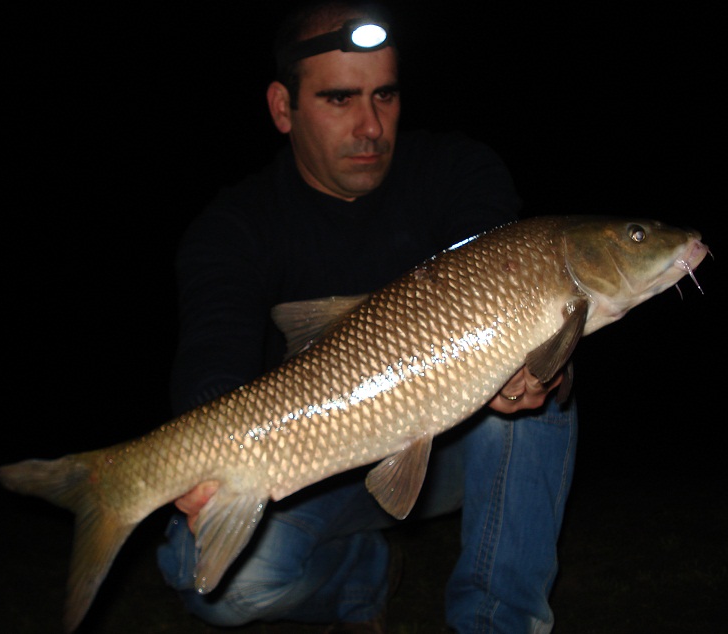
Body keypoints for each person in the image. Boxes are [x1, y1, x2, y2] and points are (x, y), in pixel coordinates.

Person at [157, 2, 577, 632]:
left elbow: (504, 272)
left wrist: (546, 377)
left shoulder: (458, 171)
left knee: (535, 354)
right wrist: (203, 455)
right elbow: (214, 352)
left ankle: (501, 621)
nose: (371, 126)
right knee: (213, 578)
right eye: (338, 99)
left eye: (384, 95)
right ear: (282, 107)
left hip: (459, 447)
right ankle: (362, 577)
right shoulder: (234, 229)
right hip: (318, 455)